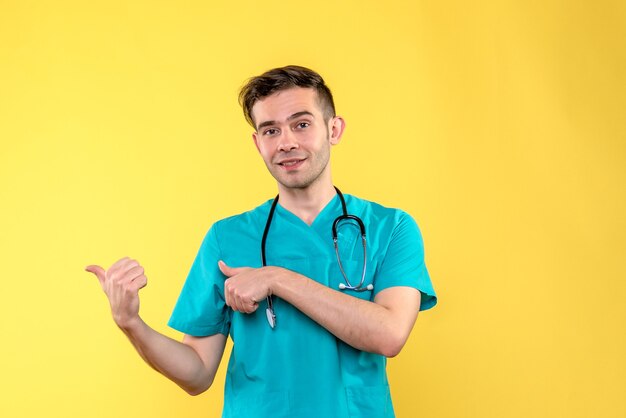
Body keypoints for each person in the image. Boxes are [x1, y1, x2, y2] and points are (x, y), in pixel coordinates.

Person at [86, 65, 437, 418]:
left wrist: (275, 278)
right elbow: (196, 373)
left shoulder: (389, 228)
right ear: (258, 143)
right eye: (271, 130)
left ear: (334, 129)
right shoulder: (227, 237)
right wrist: (132, 323)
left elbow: (390, 335)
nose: (286, 142)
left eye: (301, 124)